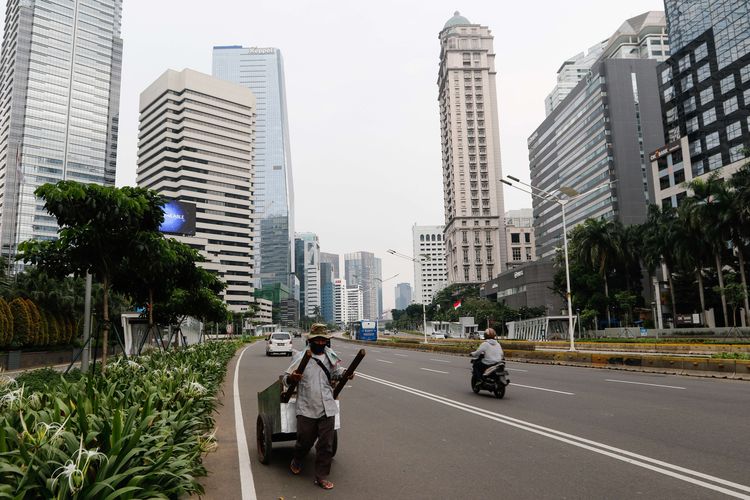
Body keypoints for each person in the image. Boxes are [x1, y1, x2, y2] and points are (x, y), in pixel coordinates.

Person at [285, 323, 352, 490]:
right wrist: (292, 378)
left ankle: (321, 476)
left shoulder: (330, 357)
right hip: (307, 406)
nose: (321, 343)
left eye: (324, 340)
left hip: (327, 406)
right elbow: (286, 379)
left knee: (326, 445)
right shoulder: (300, 358)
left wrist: (345, 373)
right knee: (304, 441)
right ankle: (298, 458)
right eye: (318, 340)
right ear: (311, 341)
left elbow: (336, 372)